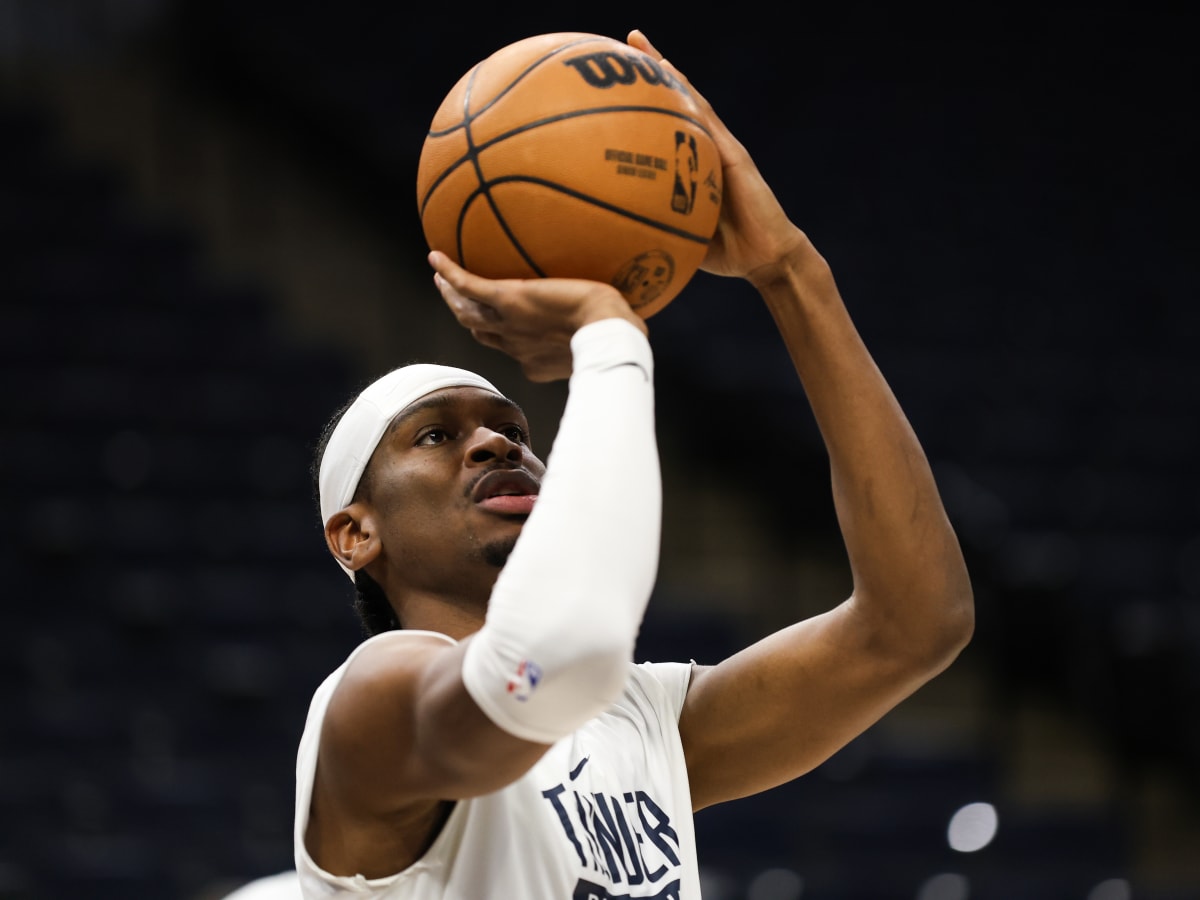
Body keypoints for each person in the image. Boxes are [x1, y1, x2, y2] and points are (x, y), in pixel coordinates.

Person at [294, 29, 974, 899]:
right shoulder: (372, 705)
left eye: (512, 429)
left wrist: (792, 272)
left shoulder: (641, 720)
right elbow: (558, 657)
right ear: (355, 534)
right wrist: (610, 340)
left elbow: (919, 623)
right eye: (435, 435)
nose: (499, 443)